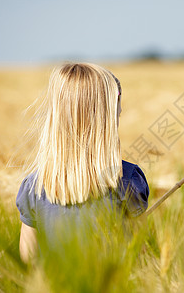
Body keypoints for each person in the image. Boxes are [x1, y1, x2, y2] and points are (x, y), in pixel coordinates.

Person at [16, 63, 149, 263]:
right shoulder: (127, 180)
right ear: (107, 121)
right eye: (117, 115)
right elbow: (140, 258)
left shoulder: (33, 187)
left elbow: (28, 260)